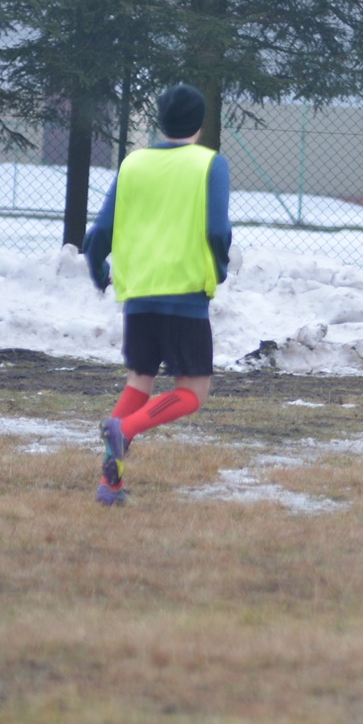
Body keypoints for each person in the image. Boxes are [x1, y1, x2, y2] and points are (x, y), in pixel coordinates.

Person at [83, 83, 231, 506]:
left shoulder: (133, 163)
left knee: (139, 381)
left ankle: (110, 487)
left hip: (140, 294)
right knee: (193, 392)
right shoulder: (210, 165)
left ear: (159, 122)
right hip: (185, 295)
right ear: (200, 123)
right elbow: (218, 230)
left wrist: (98, 271)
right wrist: (217, 269)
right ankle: (124, 430)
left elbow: (100, 231)